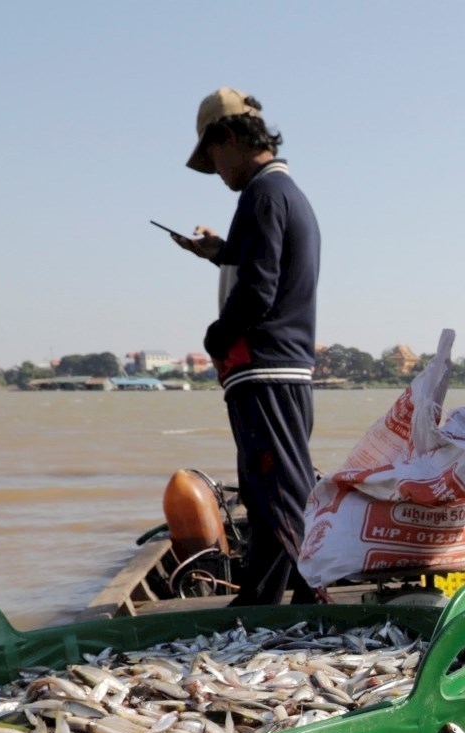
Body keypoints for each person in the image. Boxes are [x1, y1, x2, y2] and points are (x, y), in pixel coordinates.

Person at [171, 88, 322, 605]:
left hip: (266, 369)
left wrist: (214, 337)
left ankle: (270, 599)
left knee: (275, 490)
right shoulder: (281, 193)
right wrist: (223, 254)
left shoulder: (262, 195)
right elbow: (266, 269)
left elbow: (258, 291)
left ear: (230, 138)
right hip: (284, 369)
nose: (214, 169)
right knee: (276, 485)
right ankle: (292, 595)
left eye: (212, 156)